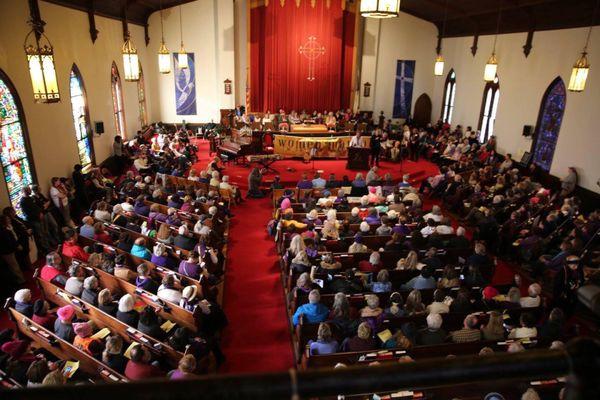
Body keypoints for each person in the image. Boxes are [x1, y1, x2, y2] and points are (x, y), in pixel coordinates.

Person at [0, 215, 26, 284]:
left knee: (15, 265)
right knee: (14, 266)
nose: (9, 220)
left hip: (10, 249)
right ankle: (21, 280)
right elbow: (8, 241)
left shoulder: (6, 228)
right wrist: (16, 246)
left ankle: (20, 279)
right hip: (7, 251)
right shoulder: (3, 230)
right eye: (7, 219)